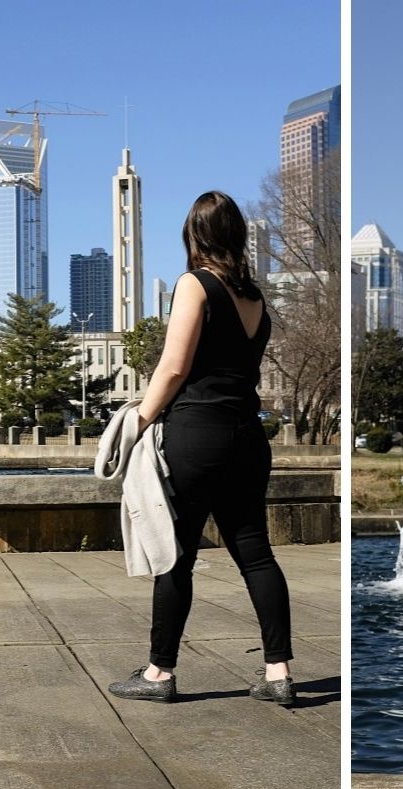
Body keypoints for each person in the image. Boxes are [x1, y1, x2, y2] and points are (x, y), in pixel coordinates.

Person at [106, 190, 295, 706]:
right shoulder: (255, 299)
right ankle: (278, 673)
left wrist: (140, 419)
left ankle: (159, 674)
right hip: (248, 437)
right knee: (256, 554)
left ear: (194, 234)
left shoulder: (195, 284)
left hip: (198, 434)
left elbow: (173, 367)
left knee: (176, 554)